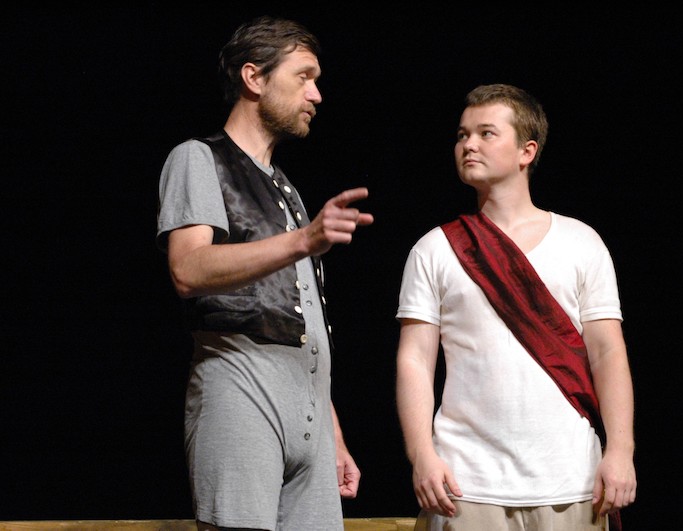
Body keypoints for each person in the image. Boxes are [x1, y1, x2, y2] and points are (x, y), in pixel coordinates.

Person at [156, 15, 371, 531]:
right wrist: (304, 240)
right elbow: (187, 268)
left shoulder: (287, 190)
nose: (316, 95)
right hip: (242, 387)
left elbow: (303, 316)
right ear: (253, 78)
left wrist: (332, 431)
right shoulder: (198, 158)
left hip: (308, 410)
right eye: (304, 77)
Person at [395, 84, 636, 531]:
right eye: (462, 134)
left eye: (486, 133)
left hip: (570, 479)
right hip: (466, 483)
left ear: (527, 151)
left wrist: (620, 451)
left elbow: (608, 353)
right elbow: (415, 360)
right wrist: (422, 454)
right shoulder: (435, 249)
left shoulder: (581, 242)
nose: (469, 144)